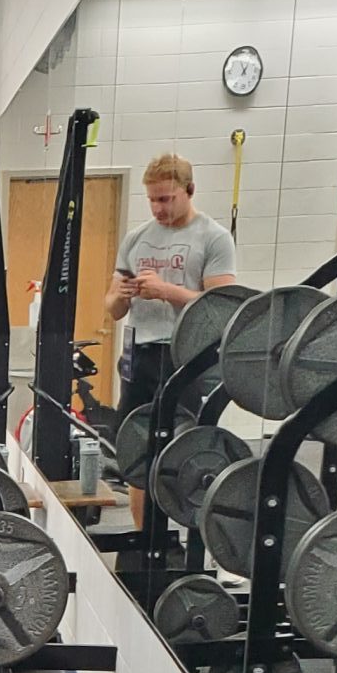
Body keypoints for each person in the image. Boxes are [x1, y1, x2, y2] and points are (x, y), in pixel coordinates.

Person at [106, 152, 238, 526]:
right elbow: (112, 308)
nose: (158, 208)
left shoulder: (213, 238)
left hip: (187, 357)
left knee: (182, 450)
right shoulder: (136, 239)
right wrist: (124, 294)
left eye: (166, 199)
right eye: (152, 199)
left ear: (189, 191)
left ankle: (181, 534)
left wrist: (166, 290)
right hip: (141, 354)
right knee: (136, 449)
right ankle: (142, 536)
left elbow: (221, 306)